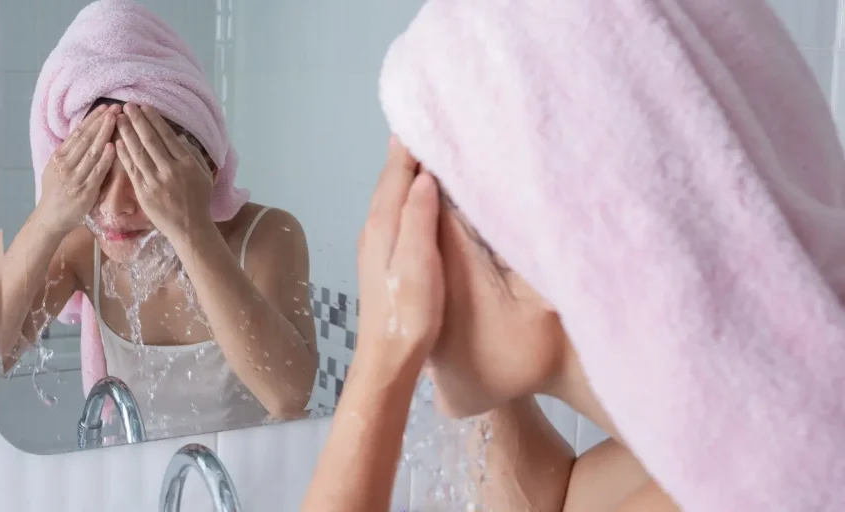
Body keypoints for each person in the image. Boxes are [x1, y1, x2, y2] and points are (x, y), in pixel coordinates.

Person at [304, 0, 845, 511]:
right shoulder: (761, 440)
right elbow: (554, 500)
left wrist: (383, 360)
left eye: (425, 196)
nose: (399, 244)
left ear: (545, 246)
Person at [0, 100, 319, 428]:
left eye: (143, 175)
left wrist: (192, 230)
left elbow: (289, 397)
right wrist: (47, 219)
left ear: (205, 172)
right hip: (130, 458)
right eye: (99, 176)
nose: (113, 207)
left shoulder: (266, 235)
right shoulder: (82, 246)